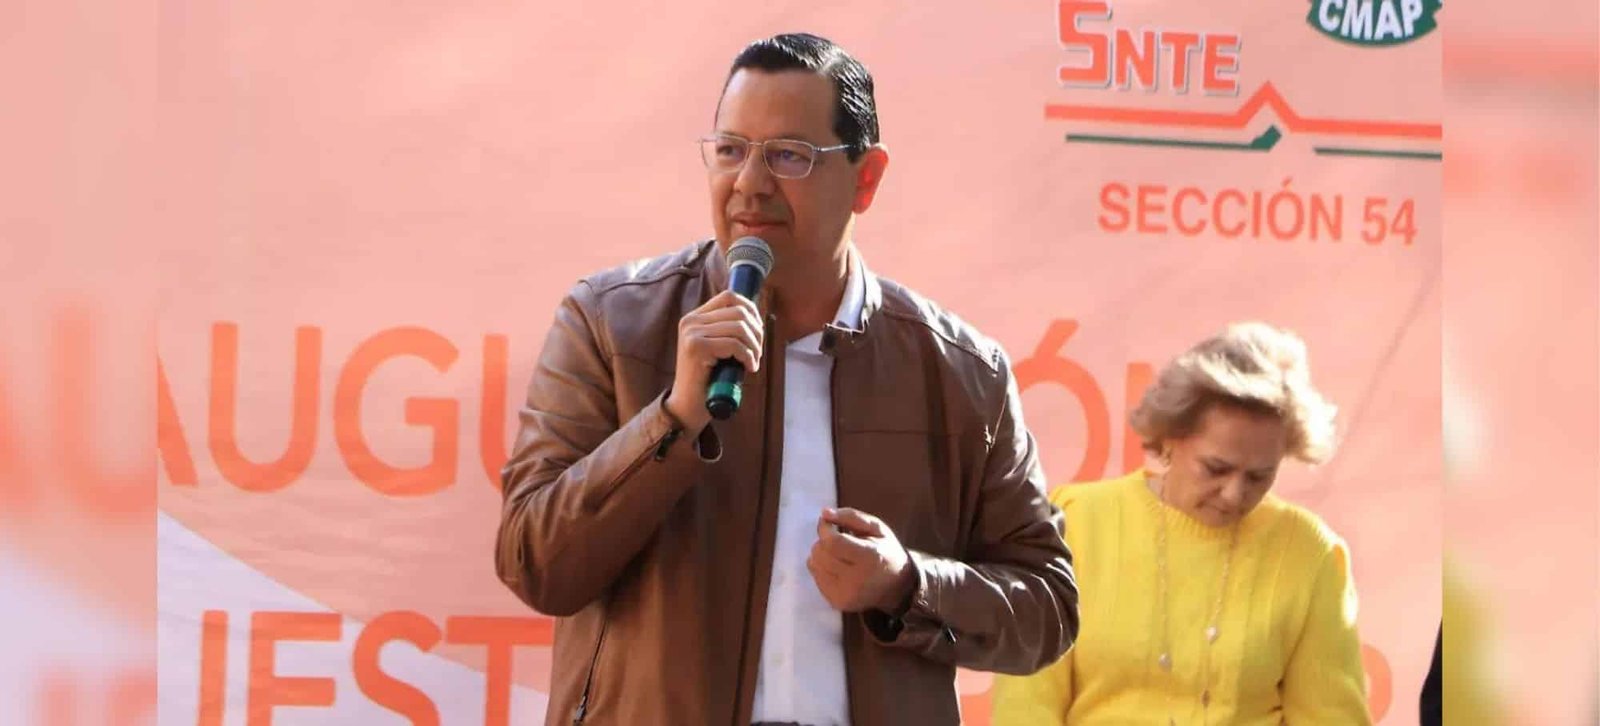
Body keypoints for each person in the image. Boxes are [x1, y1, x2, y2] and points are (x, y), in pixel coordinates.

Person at [494, 32, 1078, 725]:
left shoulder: (961, 371)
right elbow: (535, 564)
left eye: (788, 155)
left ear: (866, 178)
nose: (749, 182)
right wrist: (673, 420)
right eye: (730, 150)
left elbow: (1047, 607)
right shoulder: (610, 322)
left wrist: (908, 584)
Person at [992, 322, 1370, 725]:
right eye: (1216, 468)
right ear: (1171, 436)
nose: (1234, 494)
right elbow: (1026, 705)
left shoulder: (1308, 552)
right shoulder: (1077, 523)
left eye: (1259, 476)